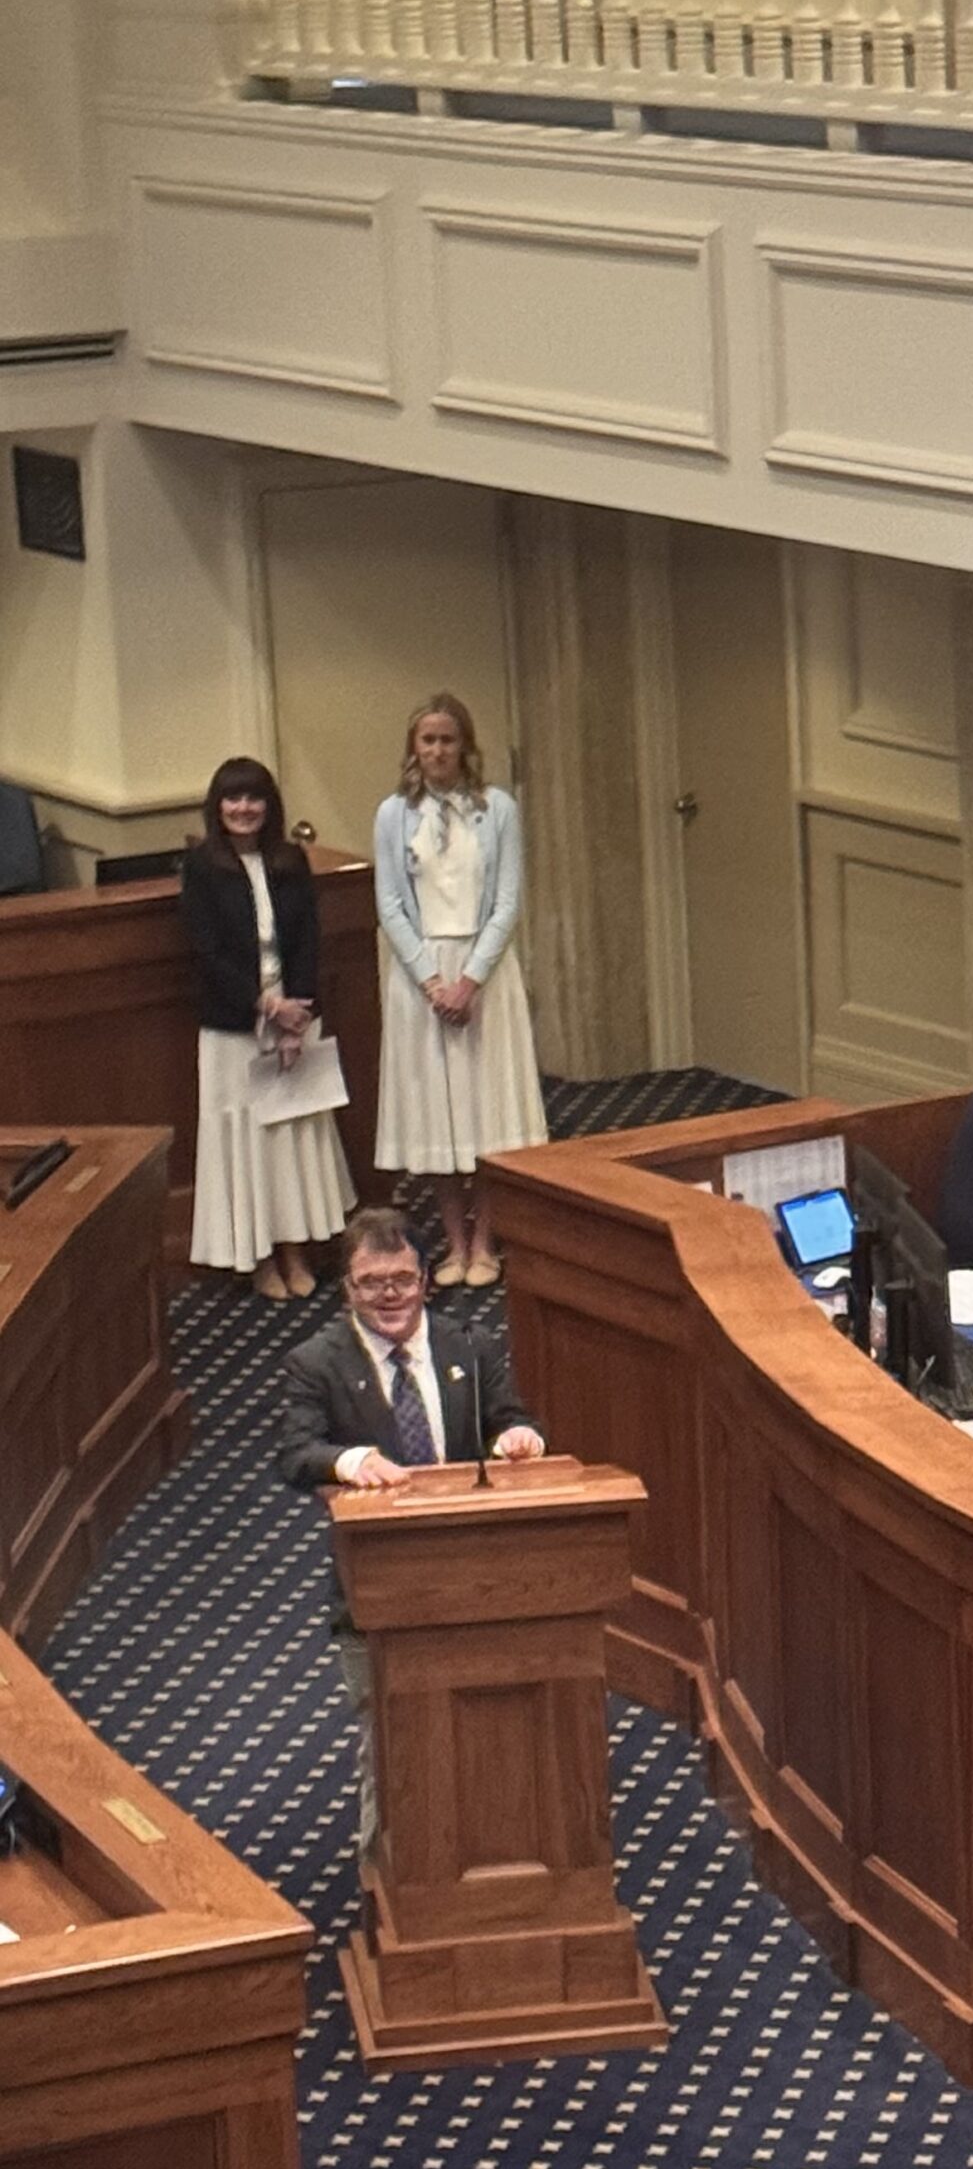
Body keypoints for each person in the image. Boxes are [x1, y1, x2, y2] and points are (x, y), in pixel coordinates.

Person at [278, 1206, 546, 1848]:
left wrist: (518, 1436)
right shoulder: (315, 1363)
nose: (388, 1296)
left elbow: (511, 1418)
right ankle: (385, 1874)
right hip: (376, 1596)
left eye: (401, 1279)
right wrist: (350, 1460)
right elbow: (296, 1453)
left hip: (474, 1584)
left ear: (426, 1279)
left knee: (491, 1728)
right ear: (348, 1288)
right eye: (371, 1283)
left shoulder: (468, 1346)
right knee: (391, 1740)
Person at [373, 693, 547, 1288]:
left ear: (465, 746)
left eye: (448, 740)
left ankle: (485, 1241)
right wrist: (432, 981)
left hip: (485, 973)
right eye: (428, 740)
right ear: (413, 748)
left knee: (488, 1111)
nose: (438, 751)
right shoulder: (393, 814)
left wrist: (470, 980)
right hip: (422, 979)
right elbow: (391, 905)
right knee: (440, 1117)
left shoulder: (497, 808)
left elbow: (507, 901)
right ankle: (452, 1243)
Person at [179, 756, 354, 1299]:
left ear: (269, 806)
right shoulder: (203, 866)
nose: (243, 808)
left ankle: (296, 1252)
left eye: (254, 798)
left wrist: (298, 1013)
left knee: (290, 1135)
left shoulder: (289, 861)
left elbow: (307, 938)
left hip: (294, 1017)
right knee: (248, 1141)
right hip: (235, 1024)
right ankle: (259, 1260)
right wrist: (265, 1006)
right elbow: (205, 950)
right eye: (233, 798)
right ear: (217, 806)